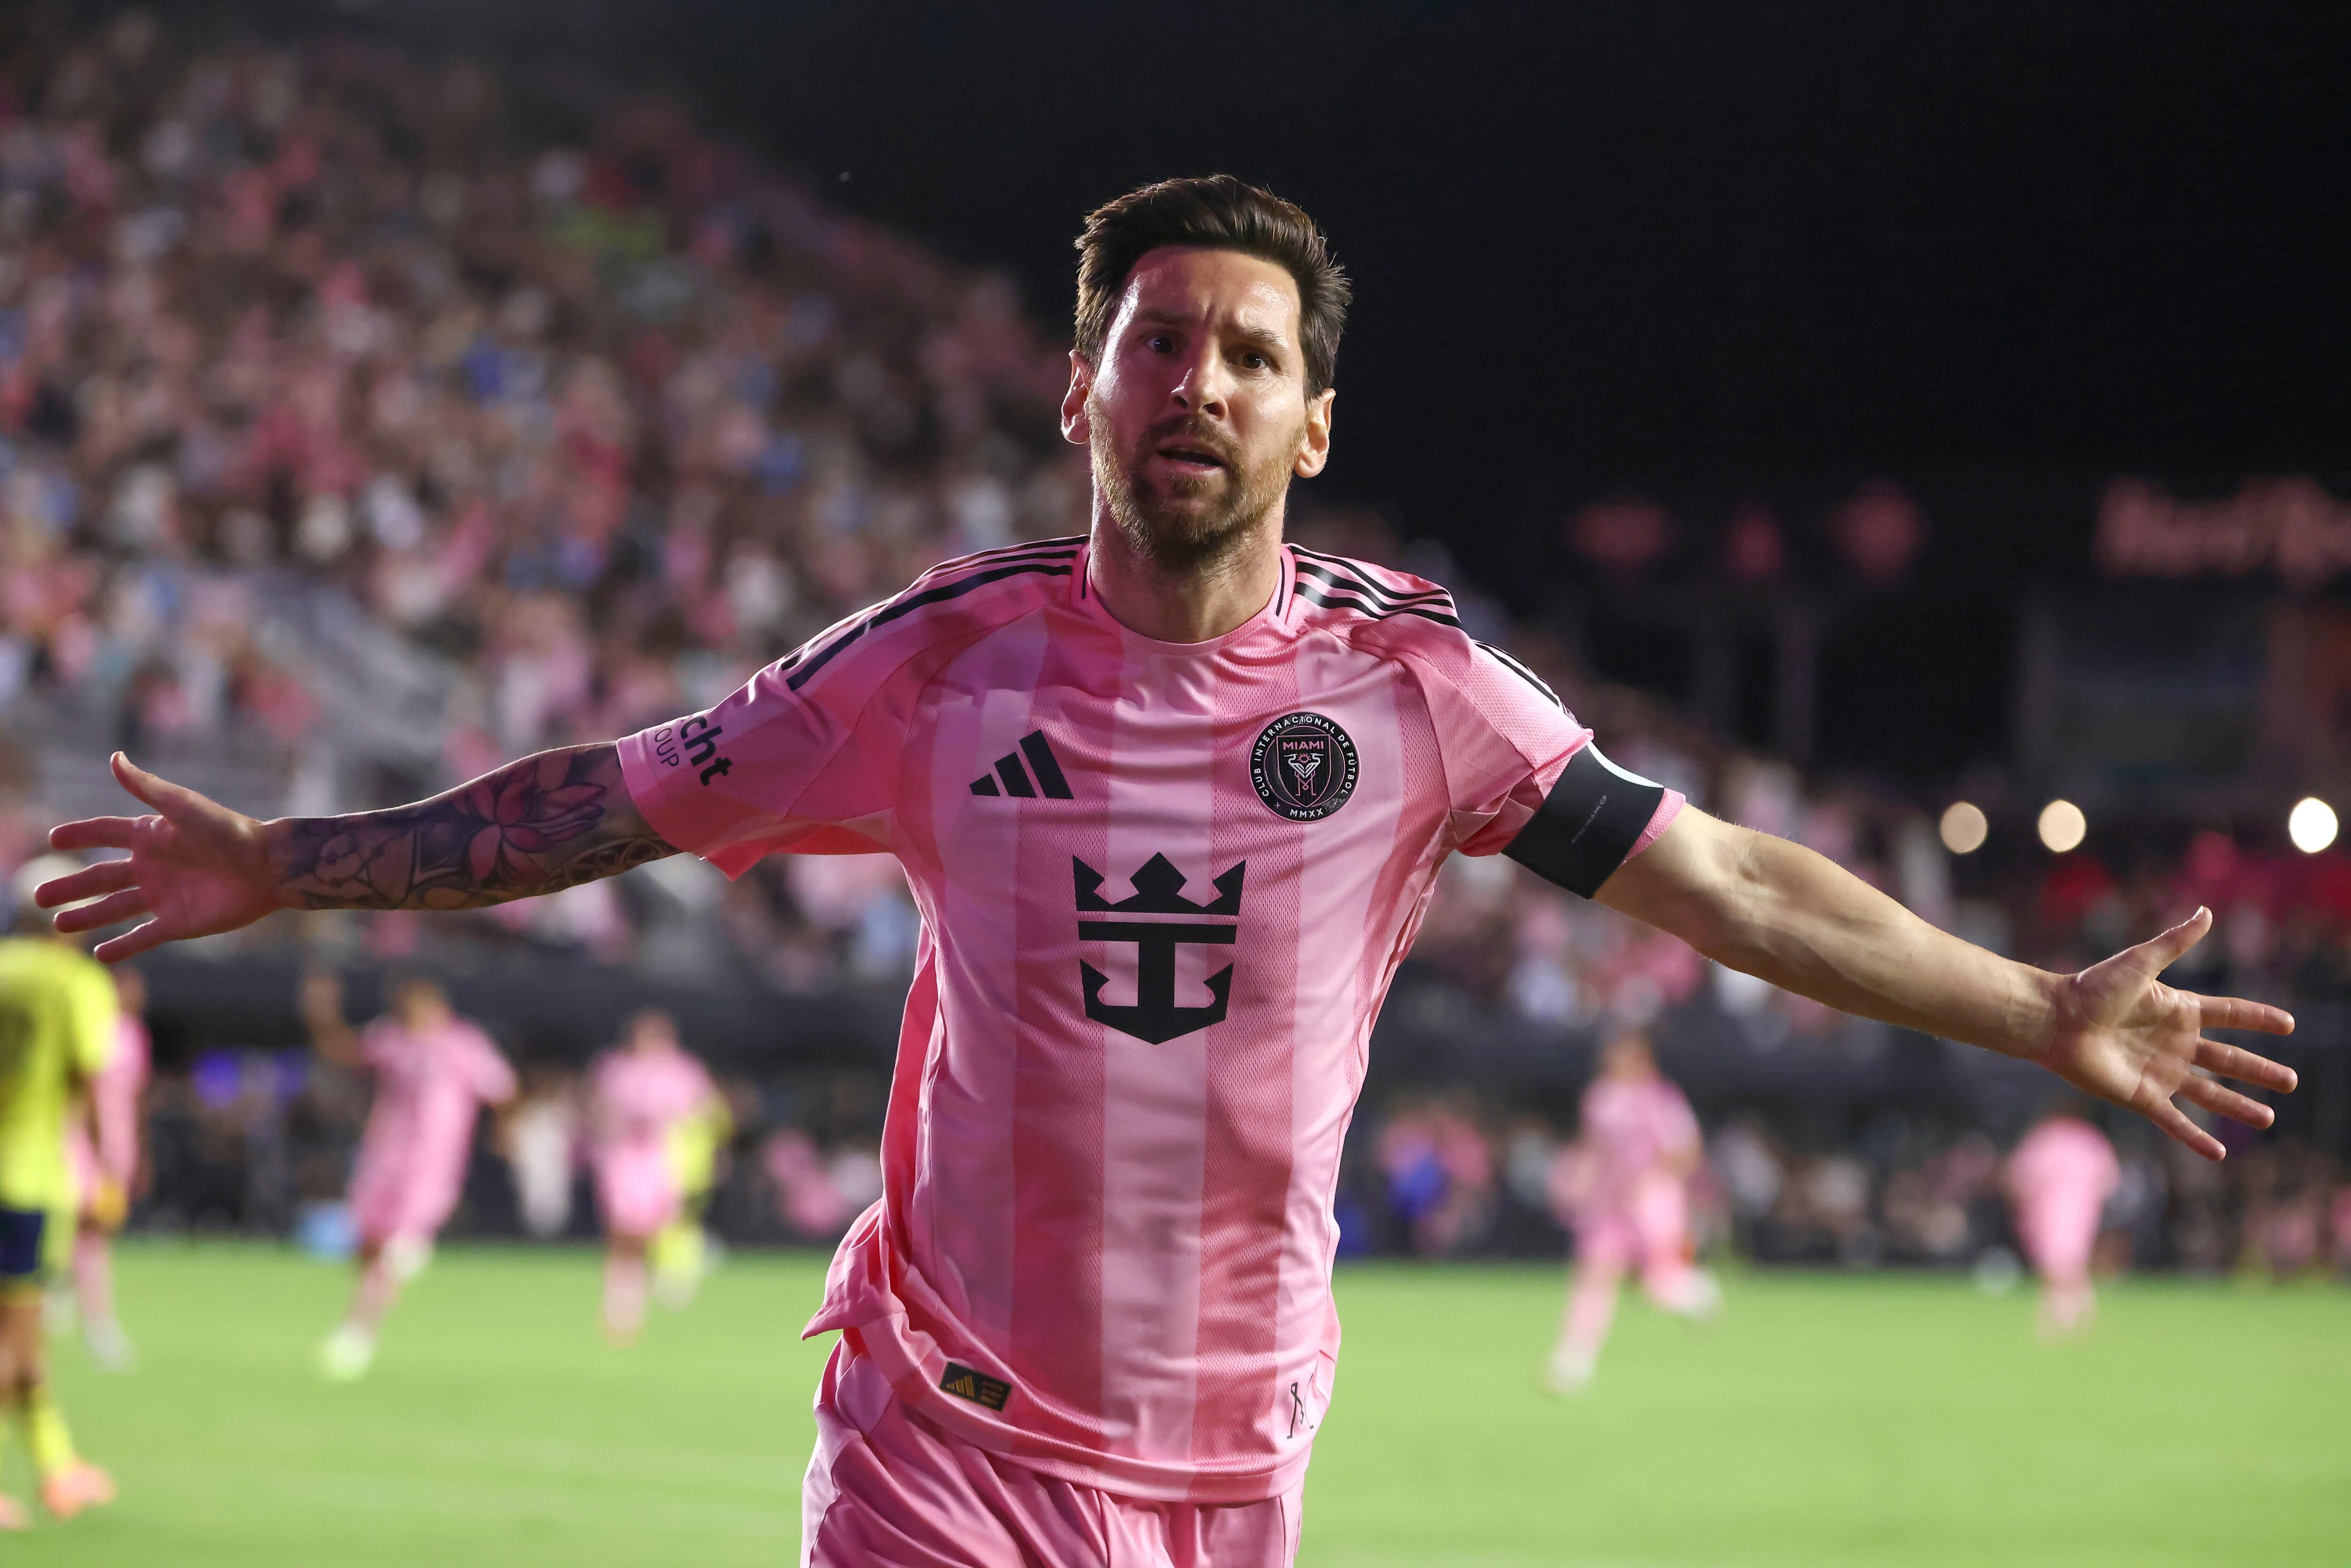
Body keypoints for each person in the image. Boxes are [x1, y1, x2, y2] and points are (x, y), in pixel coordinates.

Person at [32, 175, 2296, 1568]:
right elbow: (603, 801)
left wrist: (2034, 1007)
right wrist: (292, 861)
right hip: (942, 1437)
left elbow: (1729, 887)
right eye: (1155, 338)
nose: (1195, 376)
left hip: (1234, 1459)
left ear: (1317, 422)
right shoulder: (930, 670)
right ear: (1083, 394)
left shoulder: (1427, 698)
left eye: (1249, 350)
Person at [301, 971, 516, 1380]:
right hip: (384, 1159)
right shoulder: (394, 1039)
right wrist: (322, 1015)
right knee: (369, 1244)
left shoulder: (463, 1044)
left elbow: (502, 1089)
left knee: (396, 1251)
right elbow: (345, 1052)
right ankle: (376, 1293)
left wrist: (504, 1133)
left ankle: (357, 1333)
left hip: (432, 1167)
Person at [0, 861, 118, 1526]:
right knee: (16, 1334)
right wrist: (105, 1170)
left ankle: (56, 1466)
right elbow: (89, 1081)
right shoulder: (73, 980)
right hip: (26, 1176)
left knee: (22, 1331)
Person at [1546, 1030, 1719, 1394]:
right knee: (1596, 1275)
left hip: (1650, 1202)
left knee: (1657, 1285)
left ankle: (1697, 1291)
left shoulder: (1660, 1100)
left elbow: (1686, 1150)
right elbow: (1591, 1146)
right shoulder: (1601, 1098)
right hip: (1609, 1203)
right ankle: (1573, 1360)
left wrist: (1652, 1175)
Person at [588, 1009, 721, 1341]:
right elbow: (599, 1110)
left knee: (660, 1228)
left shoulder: (682, 1071)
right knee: (623, 1232)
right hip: (623, 1156)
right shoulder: (616, 1069)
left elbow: (702, 1110)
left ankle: (674, 1270)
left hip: (663, 1157)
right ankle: (622, 1307)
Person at [59, 964, 150, 1371]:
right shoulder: (91, 1024)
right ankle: (95, 1322)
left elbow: (139, 1095)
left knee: (97, 1230)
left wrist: (138, 1150)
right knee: (83, 1226)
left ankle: (65, 1301)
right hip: (83, 1142)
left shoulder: (135, 1034)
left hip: (119, 1144)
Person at [2005, 1103, 2121, 1338]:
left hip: (2050, 1213)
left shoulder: (2044, 1140)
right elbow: (2110, 1181)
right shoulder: (2089, 1140)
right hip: (2080, 1212)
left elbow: (2019, 1179)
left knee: (2059, 1269)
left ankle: (2061, 1321)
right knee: (2068, 1267)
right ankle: (2074, 1319)